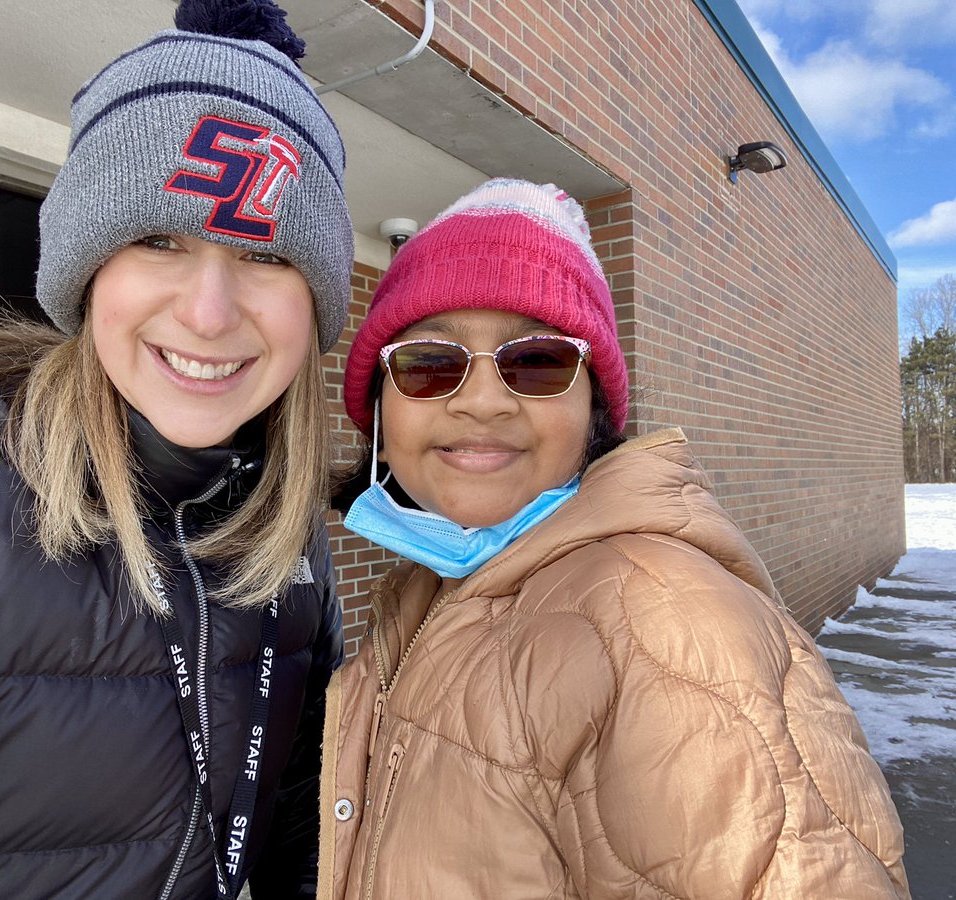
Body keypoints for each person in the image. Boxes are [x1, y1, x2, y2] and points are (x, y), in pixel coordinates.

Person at [0, 1, 353, 896]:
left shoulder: (290, 539)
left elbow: (302, 825)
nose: (208, 313)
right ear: (87, 273)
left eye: (265, 255)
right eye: (158, 240)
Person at [319, 179, 910, 898]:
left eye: (538, 361)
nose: (480, 401)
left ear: (593, 414)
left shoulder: (662, 620)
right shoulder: (426, 593)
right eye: (429, 364)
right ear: (380, 416)